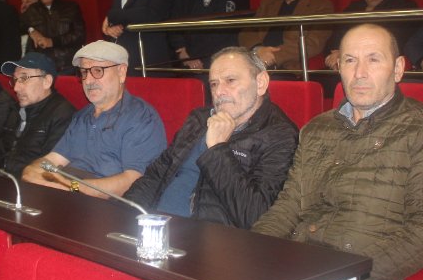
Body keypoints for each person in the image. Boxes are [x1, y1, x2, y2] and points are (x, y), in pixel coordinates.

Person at [252, 24, 423, 280]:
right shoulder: (317, 129)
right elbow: (290, 203)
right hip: (301, 268)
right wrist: (250, 255)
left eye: (373, 59)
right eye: (350, 60)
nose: (359, 72)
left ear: (398, 69)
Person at [125, 47, 297, 229]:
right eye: (214, 84)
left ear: (261, 83)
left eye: (230, 81)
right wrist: (123, 214)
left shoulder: (280, 136)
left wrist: (217, 149)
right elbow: (156, 176)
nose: (219, 91)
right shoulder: (199, 119)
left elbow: (256, 217)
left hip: (209, 239)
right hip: (154, 228)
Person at [22, 41, 166, 197]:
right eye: (84, 72)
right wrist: (32, 171)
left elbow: (133, 182)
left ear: (121, 72)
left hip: (106, 205)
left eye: (98, 71)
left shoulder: (141, 117)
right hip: (65, 194)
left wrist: (71, 187)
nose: (88, 80)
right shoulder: (82, 117)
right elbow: (52, 160)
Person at [239, 0, 334, 70]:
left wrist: (272, 57)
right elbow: (246, 31)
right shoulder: (267, 3)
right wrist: (258, 50)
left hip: (286, 66)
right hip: (256, 60)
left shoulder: (320, 5)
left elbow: (313, 44)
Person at [324, 0, 418, 69]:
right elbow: (333, 41)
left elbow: (396, 43)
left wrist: (345, 53)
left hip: (380, 66)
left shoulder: (404, 7)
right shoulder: (352, 9)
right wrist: (335, 54)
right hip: (345, 66)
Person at [0, 52, 76, 178]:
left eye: (24, 78)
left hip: (29, 184)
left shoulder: (63, 114)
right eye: (15, 80)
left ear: (47, 81)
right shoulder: (15, 109)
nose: (16, 88)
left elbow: (49, 168)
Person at [20, 0, 86, 74]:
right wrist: (31, 31)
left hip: (67, 65)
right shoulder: (32, 10)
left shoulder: (71, 7)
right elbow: (18, 25)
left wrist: (52, 41)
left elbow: (79, 35)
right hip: (41, 66)